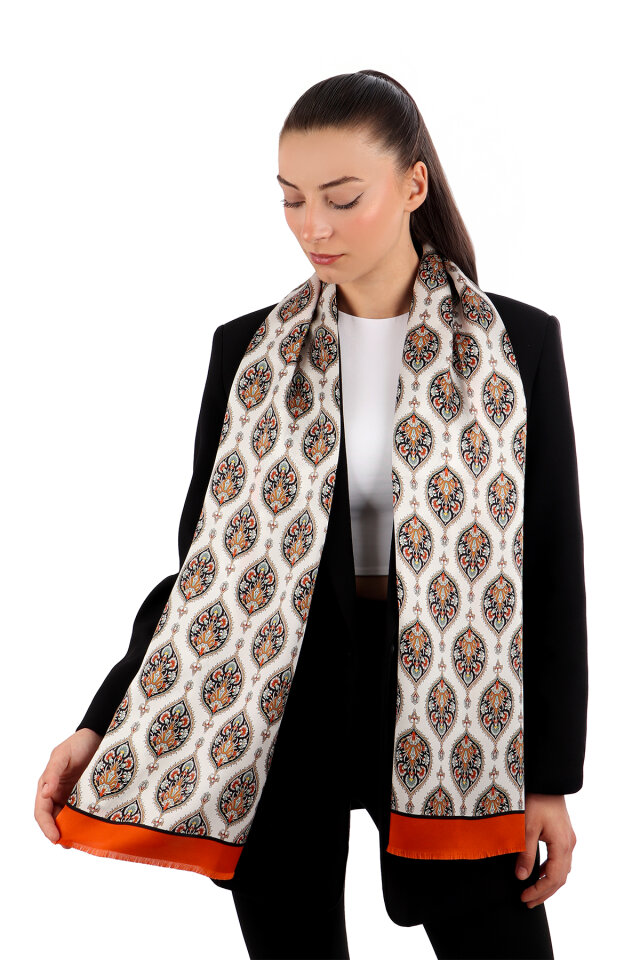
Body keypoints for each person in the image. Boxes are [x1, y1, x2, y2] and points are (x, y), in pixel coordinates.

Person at [35, 70, 587, 960]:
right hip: (279, 701)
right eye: (291, 199)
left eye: (341, 198)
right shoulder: (248, 352)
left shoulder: (517, 345)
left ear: (413, 185)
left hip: (458, 710)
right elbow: (204, 571)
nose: (312, 227)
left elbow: (551, 568)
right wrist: (100, 718)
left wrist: (550, 778)